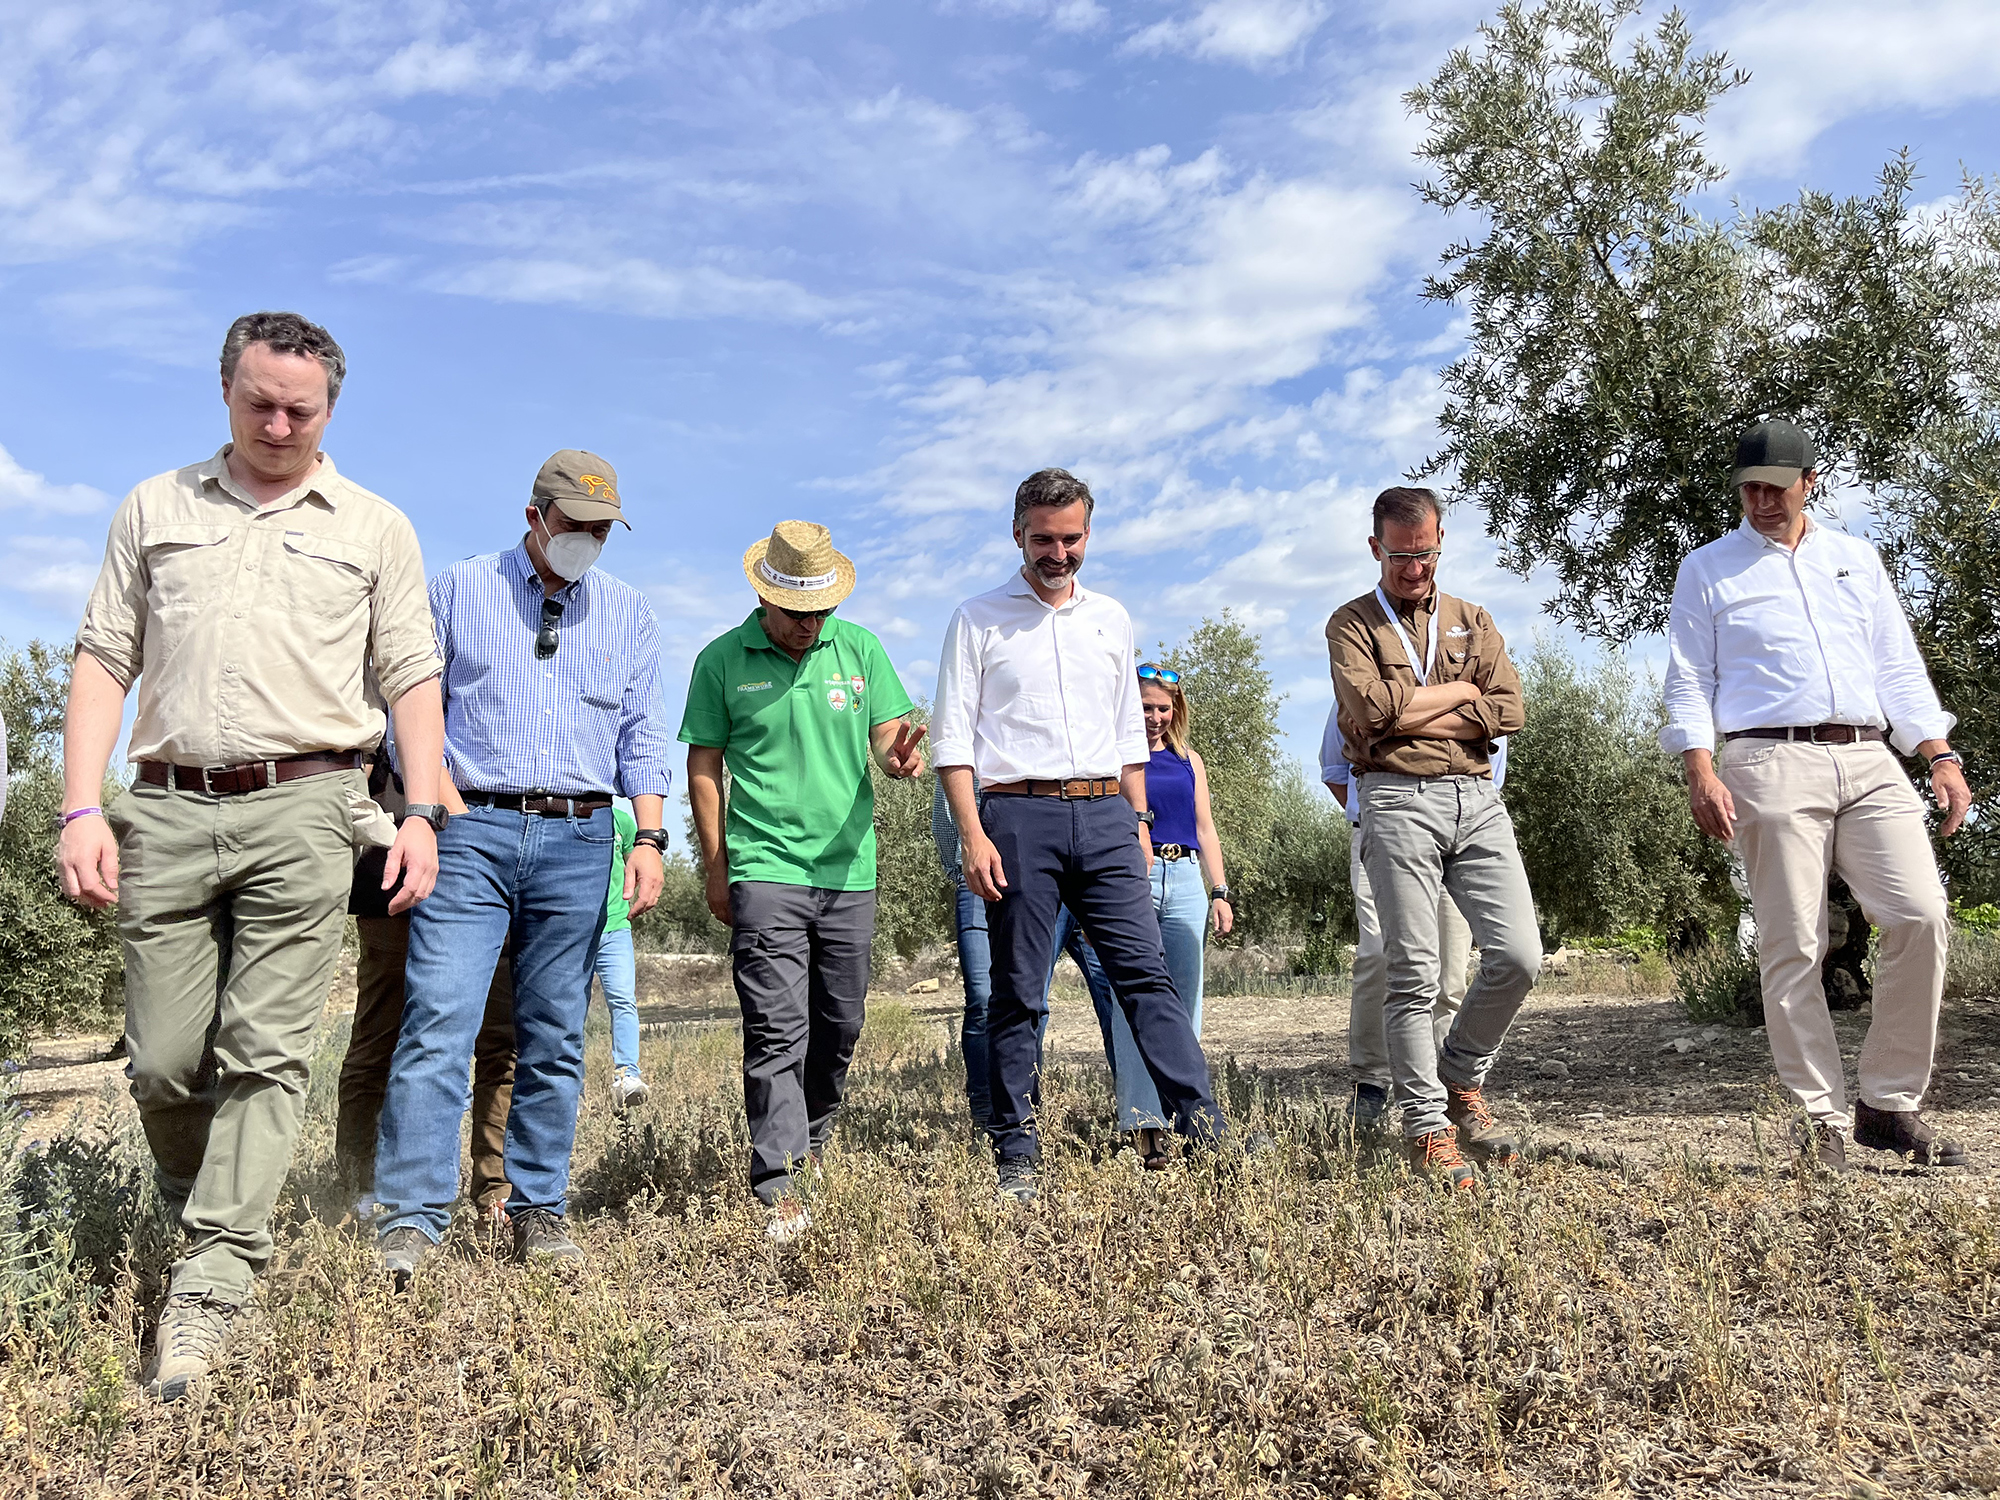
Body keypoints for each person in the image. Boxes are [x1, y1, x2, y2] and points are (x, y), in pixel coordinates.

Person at [57, 311, 447, 1400]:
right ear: (224, 391)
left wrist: (419, 811)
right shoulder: (155, 507)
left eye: (301, 409)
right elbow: (102, 659)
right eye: (258, 402)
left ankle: (213, 1288)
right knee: (165, 1061)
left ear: (332, 409)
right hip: (168, 810)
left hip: (309, 807)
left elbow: (411, 673)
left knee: (268, 1052)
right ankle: (204, 1210)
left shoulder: (375, 527)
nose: (278, 424)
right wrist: (79, 809)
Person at [374, 450, 673, 1283]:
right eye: (576, 525)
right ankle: (413, 1219)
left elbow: (643, 734)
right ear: (534, 516)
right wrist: (431, 802)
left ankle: (539, 1209)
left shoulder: (630, 615)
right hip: (471, 831)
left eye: (603, 530)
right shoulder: (459, 589)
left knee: (554, 1037)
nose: (589, 540)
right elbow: (408, 706)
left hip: (582, 836)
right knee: (439, 1021)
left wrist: (647, 838)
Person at [1661, 418, 1971, 1173]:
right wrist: (1700, 769)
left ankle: (1889, 1104)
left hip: (1869, 759)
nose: (1761, 500)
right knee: (1793, 943)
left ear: (1810, 481)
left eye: (1775, 486)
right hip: (1766, 760)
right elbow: (1689, 680)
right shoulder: (1708, 569)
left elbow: (1897, 667)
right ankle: (1820, 1120)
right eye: (1748, 489)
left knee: (1920, 916)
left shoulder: (1855, 559)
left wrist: (1938, 752)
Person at [932, 467, 1230, 1204]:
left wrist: (1135, 823)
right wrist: (973, 835)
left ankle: (1203, 1129)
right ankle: (1016, 1150)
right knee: (1018, 993)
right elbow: (953, 741)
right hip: (1017, 818)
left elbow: (1130, 734)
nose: (1057, 554)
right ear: (1016, 534)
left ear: (1088, 535)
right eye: (1043, 540)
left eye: (1071, 540)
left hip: (1105, 817)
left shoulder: (1112, 619)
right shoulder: (977, 619)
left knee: (1147, 979)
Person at [681, 521, 925, 1238]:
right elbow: (703, 766)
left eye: (821, 612)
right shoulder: (722, 661)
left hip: (851, 870)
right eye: (797, 614)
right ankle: (780, 1178)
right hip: (765, 866)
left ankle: (813, 1136)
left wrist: (898, 760)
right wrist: (718, 866)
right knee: (775, 1027)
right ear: (766, 598)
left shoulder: (861, 650)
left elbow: (887, 738)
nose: (809, 626)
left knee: (840, 1024)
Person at [1326, 485, 1538, 1192]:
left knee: (1517, 956)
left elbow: (1508, 708)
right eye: (1399, 555)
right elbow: (1367, 712)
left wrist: (1413, 712)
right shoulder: (1352, 624)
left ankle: (1458, 1074)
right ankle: (1427, 1127)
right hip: (1394, 797)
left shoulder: (1472, 617)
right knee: (1413, 972)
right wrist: (1459, 697)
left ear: (1442, 542)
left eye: (1425, 554)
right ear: (1374, 547)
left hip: (1476, 798)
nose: (1414, 568)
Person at [335, 740, 519, 1220]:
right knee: (381, 1030)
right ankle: (362, 1181)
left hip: (492, 863)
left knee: (500, 1033)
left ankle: (496, 1186)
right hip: (397, 864)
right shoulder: (390, 672)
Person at [1320, 710, 1508, 1130]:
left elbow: (1491, 771)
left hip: (1463, 834)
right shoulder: (1361, 683)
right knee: (1378, 956)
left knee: (1451, 968)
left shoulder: (1475, 690)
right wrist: (1372, 813)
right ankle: (1372, 1081)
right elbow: (1335, 769)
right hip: (1384, 831)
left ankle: (1447, 1087)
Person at [930, 779, 1124, 1129]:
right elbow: (945, 807)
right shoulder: (970, 736)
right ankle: (994, 1115)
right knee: (985, 1000)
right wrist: (962, 870)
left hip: (1066, 869)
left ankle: (1135, 1109)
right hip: (986, 875)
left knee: (1112, 992)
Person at [1102, 663, 1233, 1166]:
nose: (1154, 717)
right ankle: (1143, 1124)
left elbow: (1205, 827)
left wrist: (1218, 890)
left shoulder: (1188, 760)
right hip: (1129, 879)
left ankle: (1190, 1117)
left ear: (1175, 710)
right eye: (1144, 708)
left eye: (1162, 707)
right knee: (1131, 1001)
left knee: (1184, 1005)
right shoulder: (1113, 759)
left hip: (1185, 880)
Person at [594, 801, 651, 1110]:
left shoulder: (622, 822)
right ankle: (568, 1085)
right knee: (569, 1008)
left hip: (615, 926)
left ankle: (627, 1076)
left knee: (623, 1000)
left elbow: (634, 866)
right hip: (575, 929)